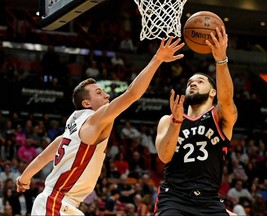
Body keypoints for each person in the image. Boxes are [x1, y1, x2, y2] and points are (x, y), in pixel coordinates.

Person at [15, 37, 184, 215]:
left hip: (59, 202)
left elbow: (43, 157)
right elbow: (131, 94)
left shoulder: (71, 129)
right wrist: (157, 59)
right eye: (98, 92)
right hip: (56, 204)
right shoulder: (92, 121)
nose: (106, 95)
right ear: (86, 103)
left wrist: (23, 179)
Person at [154, 26, 238, 216]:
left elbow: (226, 100)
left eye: (200, 81)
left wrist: (220, 60)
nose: (192, 83)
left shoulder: (220, 118)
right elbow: (164, 157)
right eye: (190, 82)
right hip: (175, 197)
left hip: (209, 199)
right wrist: (176, 123)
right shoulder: (168, 120)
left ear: (212, 92)